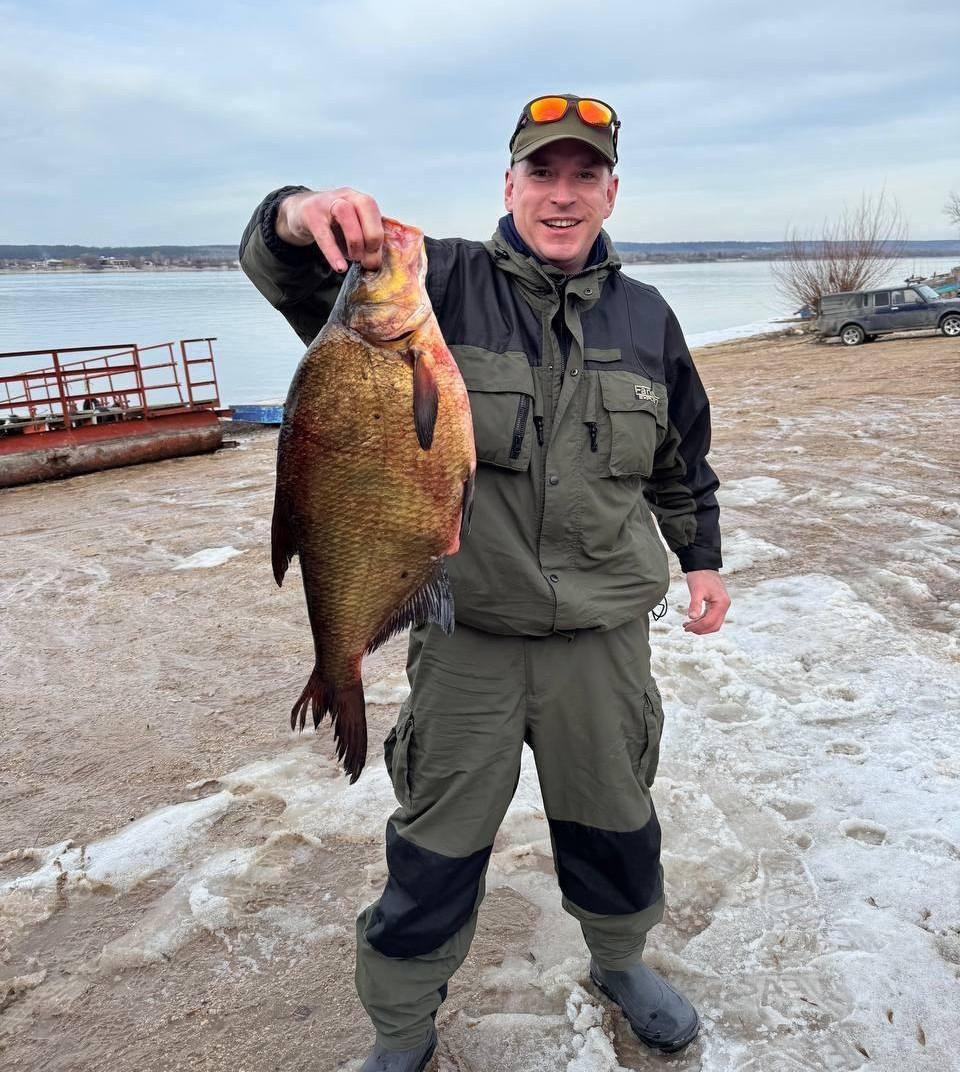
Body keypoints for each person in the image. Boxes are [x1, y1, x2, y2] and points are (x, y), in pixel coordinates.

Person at [240, 93, 730, 1071]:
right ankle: (403, 1023)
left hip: (601, 637)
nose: (561, 194)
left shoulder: (647, 318)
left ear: (611, 191)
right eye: (541, 173)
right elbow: (284, 265)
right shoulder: (438, 285)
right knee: (435, 847)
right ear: (508, 184)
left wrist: (702, 556)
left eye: (582, 175)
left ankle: (621, 960)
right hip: (468, 631)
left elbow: (680, 455)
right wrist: (302, 212)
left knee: (618, 820)